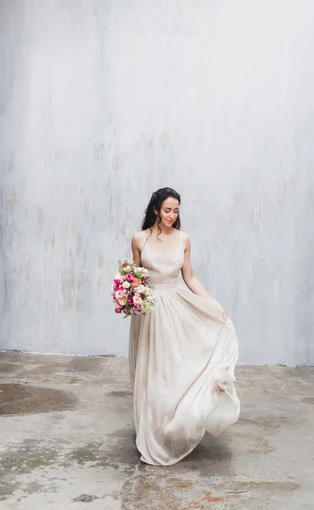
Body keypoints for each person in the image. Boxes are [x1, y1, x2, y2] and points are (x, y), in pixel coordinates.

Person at [129, 187, 240, 466]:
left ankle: (171, 429)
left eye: (176, 210)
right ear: (156, 210)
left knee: (175, 372)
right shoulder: (139, 239)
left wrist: (213, 305)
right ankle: (152, 436)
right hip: (150, 313)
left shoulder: (183, 239)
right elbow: (135, 277)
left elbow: (190, 278)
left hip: (176, 309)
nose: (172, 215)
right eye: (167, 210)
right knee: (153, 374)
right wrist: (129, 296)